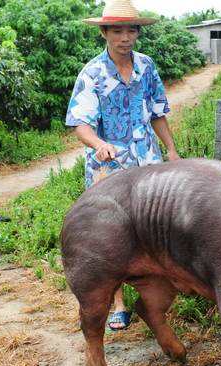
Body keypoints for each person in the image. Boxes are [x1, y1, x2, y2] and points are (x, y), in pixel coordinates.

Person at [66, 0, 180, 331]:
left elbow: (158, 112)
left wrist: (171, 150)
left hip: (148, 163)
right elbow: (80, 123)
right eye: (117, 30)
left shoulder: (147, 67)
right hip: (110, 169)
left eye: (131, 30)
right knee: (112, 236)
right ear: (104, 32)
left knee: (153, 226)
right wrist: (100, 144)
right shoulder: (93, 73)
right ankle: (116, 302)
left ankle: (156, 294)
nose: (125, 37)